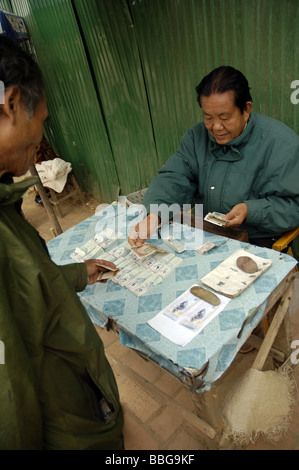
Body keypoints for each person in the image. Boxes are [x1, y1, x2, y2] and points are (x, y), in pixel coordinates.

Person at [0, 36, 124, 450]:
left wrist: (75, 273)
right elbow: (9, 397)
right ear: (12, 103)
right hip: (59, 420)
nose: (42, 133)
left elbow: (22, 286)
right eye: (43, 117)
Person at [128, 66, 299, 249]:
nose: (216, 127)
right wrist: (155, 214)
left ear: (246, 109)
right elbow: (175, 176)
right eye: (208, 117)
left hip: (257, 240)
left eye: (225, 117)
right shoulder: (197, 137)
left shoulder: (282, 144)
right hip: (207, 232)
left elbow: (294, 206)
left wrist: (250, 211)